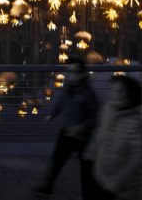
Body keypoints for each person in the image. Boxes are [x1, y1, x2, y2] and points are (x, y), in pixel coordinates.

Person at [32, 57, 102, 197]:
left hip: (83, 137)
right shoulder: (68, 87)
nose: (71, 75)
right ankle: (46, 188)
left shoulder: (89, 94)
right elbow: (61, 102)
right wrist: (52, 115)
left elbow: (95, 118)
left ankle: (88, 195)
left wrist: (81, 127)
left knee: (86, 169)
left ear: (82, 73)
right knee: (56, 161)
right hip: (66, 132)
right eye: (69, 72)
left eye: (75, 72)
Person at [85, 75, 142, 200]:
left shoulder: (137, 120)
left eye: (119, 91)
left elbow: (137, 158)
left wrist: (116, 181)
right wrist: (91, 151)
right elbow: (100, 133)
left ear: (131, 94)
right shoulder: (109, 109)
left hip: (124, 186)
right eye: (112, 90)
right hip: (102, 175)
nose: (114, 95)